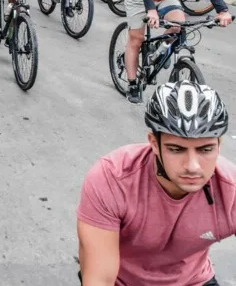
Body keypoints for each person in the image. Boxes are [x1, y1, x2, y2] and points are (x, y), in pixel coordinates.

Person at [77, 80, 236, 286]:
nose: (193, 166)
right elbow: (99, 279)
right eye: (176, 149)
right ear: (154, 143)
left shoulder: (230, 190)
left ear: (219, 145)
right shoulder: (112, 179)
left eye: (205, 149)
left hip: (193, 281)